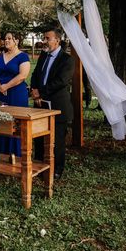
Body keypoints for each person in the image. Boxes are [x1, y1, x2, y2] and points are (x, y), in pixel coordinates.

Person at [30, 28, 74, 179]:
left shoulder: (67, 60)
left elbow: (61, 81)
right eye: (44, 38)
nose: (44, 41)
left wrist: (41, 93)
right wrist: (34, 90)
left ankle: (56, 170)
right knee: (38, 138)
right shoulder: (43, 55)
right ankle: (39, 166)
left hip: (57, 105)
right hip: (39, 104)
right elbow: (35, 74)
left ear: (57, 40)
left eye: (47, 38)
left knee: (57, 140)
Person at [0, 31, 31, 157]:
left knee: (16, 123)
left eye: (9, 38)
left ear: (16, 41)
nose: (6, 41)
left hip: (17, 94)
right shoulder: (0, 57)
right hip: (0, 93)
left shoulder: (23, 57)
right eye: (5, 39)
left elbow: (23, 75)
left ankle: (16, 155)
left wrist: (6, 86)